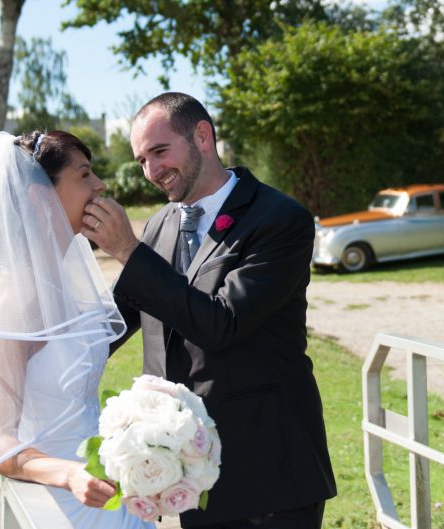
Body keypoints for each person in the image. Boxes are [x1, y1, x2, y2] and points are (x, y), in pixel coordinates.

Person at [83, 92, 337, 529]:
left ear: (202, 136)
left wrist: (127, 249)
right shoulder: (163, 222)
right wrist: (41, 355)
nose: (151, 171)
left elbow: (222, 323)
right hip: (189, 472)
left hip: (268, 469)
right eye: (142, 159)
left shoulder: (280, 219)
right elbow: (118, 317)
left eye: (160, 152)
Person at [0, 131, 155, 529]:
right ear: (40, 198)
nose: (100, 185)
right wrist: (68, 474)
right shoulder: (13, 300)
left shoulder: (59, 282)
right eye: (84, 174)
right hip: (64, 503)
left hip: (108, 494)